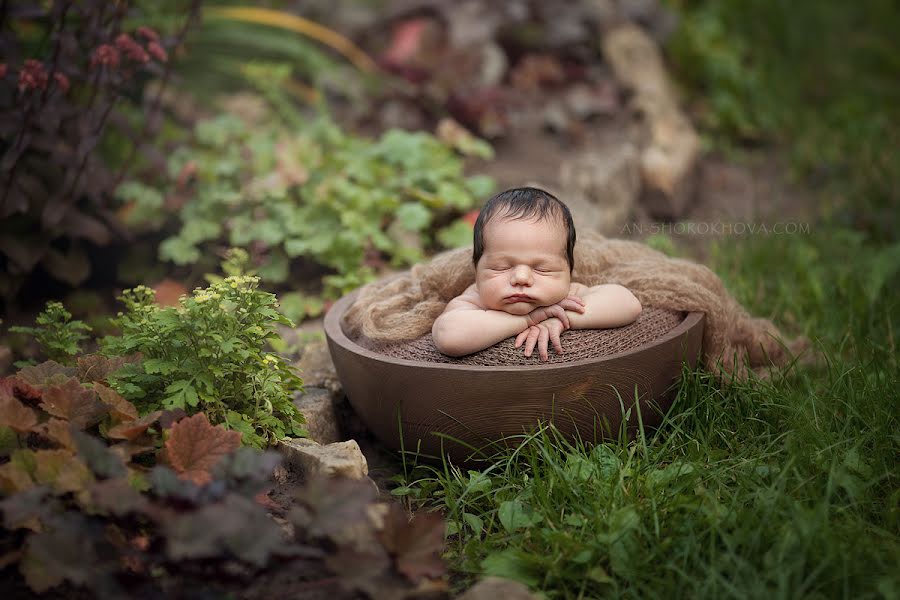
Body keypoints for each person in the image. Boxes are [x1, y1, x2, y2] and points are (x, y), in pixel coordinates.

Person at [432, 187, 643, 361]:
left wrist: (562, 318)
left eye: (543, 269)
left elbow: (628, 304)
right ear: (476, 271)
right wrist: (529, 320)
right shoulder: (475, 299)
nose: (521, 278)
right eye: (501, 267)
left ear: (569, 272)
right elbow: (449, 336)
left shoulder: (568, 295)